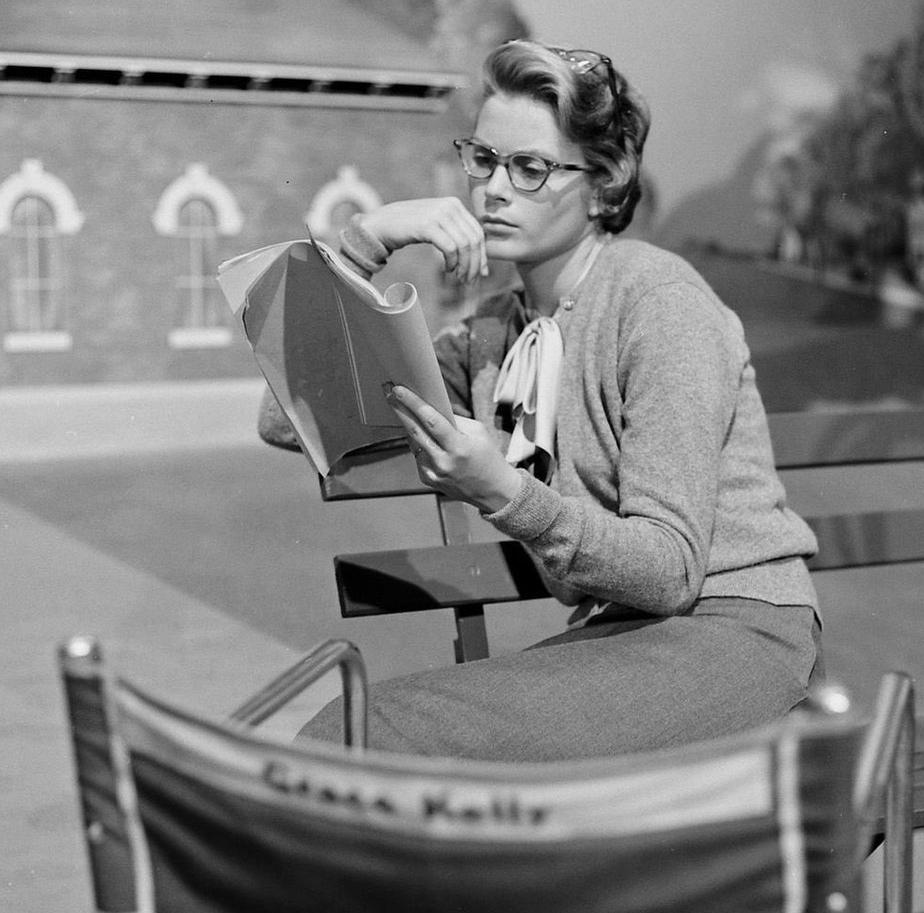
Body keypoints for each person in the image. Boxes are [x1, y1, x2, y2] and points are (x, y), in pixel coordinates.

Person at [266, 39, 822, 761]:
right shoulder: (495, 337)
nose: (493, 189)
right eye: (484, 160)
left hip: (737, 634)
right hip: (619, 641)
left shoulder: (658, 301)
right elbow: (286, 419)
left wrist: (500, 488)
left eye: (530, 168)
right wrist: (365, 242)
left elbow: (671, 569)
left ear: (603, 182)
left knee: (372, 735)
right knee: (354, 733)